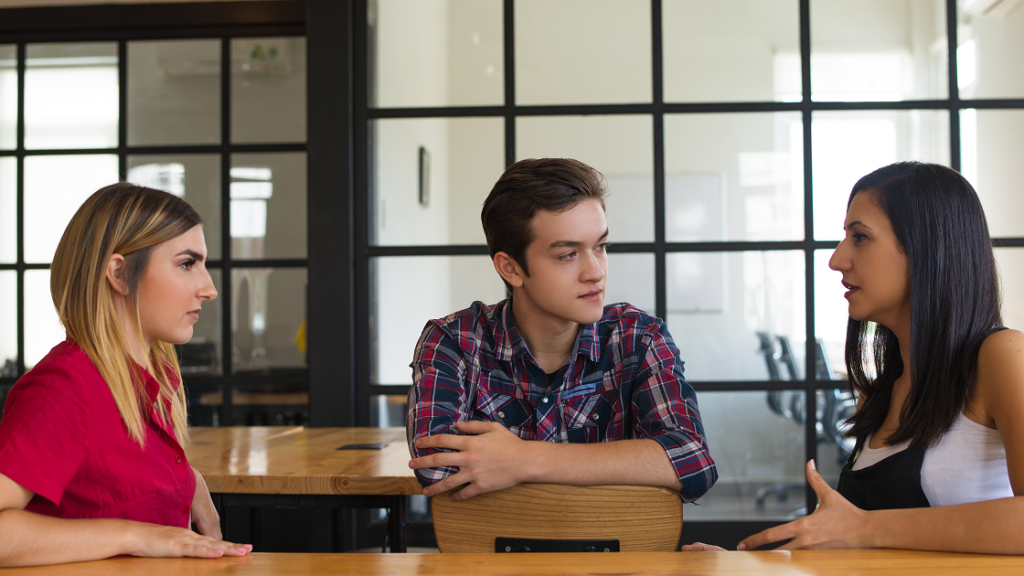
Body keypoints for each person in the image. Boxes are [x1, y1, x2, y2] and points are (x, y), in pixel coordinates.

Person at [684, 162, 1024, 554]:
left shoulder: (1002, 356)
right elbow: (852, 547)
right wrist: (746, 565)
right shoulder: (879, 394)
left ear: (927, 248)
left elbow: (864, 532)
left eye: (860, 237)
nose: (837, 259)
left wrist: (865, 527)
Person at [406, 158, 717, 502]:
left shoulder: (638, 337)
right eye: (569, 254)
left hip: (618, 554)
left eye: (600, 246)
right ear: (510, 268)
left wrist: (522, 459)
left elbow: (691, 460)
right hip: (492, 555)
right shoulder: (454, 341)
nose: (596, 272)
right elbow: (435, 468)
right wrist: (621, 464)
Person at [0, 183, 252, 567]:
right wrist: (134, 534)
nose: (209, 288)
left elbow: (105, 473)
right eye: (187, 263)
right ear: (119, 274)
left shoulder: (153, 377)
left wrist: (186, 479)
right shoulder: (65, 387)